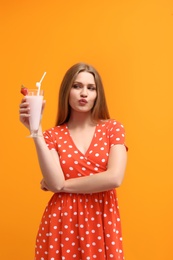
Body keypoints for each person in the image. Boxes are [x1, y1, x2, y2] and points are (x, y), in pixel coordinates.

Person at [19, 62, 128, 260]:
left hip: (102, 220)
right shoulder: (52, 136)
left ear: (98, 94)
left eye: (90, 87)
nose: (84, 93)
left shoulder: (113, 129)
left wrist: (61, 186)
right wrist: (36, 132)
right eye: (77, 86)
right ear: (66, 91)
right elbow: (54, 181)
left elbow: (115, 178)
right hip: (62, 222)